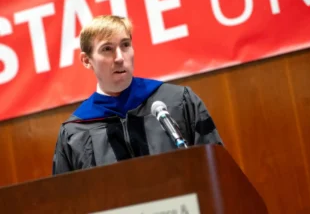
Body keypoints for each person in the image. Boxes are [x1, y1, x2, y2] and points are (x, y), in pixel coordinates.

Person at [52, 15, 223, 175]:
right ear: (86, 60)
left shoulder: (178, 101)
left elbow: (217, 169)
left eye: (125, 45)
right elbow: (66, 202)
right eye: (107, 49)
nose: (119, 58)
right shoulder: (74, 133)